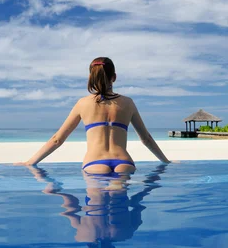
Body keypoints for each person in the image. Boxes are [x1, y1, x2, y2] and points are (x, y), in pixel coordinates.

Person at [17, 57, 171, 173]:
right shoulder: (128, 103)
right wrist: (165, 161)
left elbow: (57, 139)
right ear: (114, 77)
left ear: (91, 77)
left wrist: (30, 162)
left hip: (94, 164)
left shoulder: (83, 103)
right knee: (122, 212)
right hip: (124, 163)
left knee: (93, 214)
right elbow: (146, 139)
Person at [24, 164, 167, 248]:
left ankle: (116, 185)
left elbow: (137, 203)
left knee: (118, 187)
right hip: (95, 180)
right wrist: (56, 192)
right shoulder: (82, 235)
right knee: (94, 189)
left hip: (117, 175)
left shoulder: (126, 234)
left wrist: (149, 188)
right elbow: (71, 207)